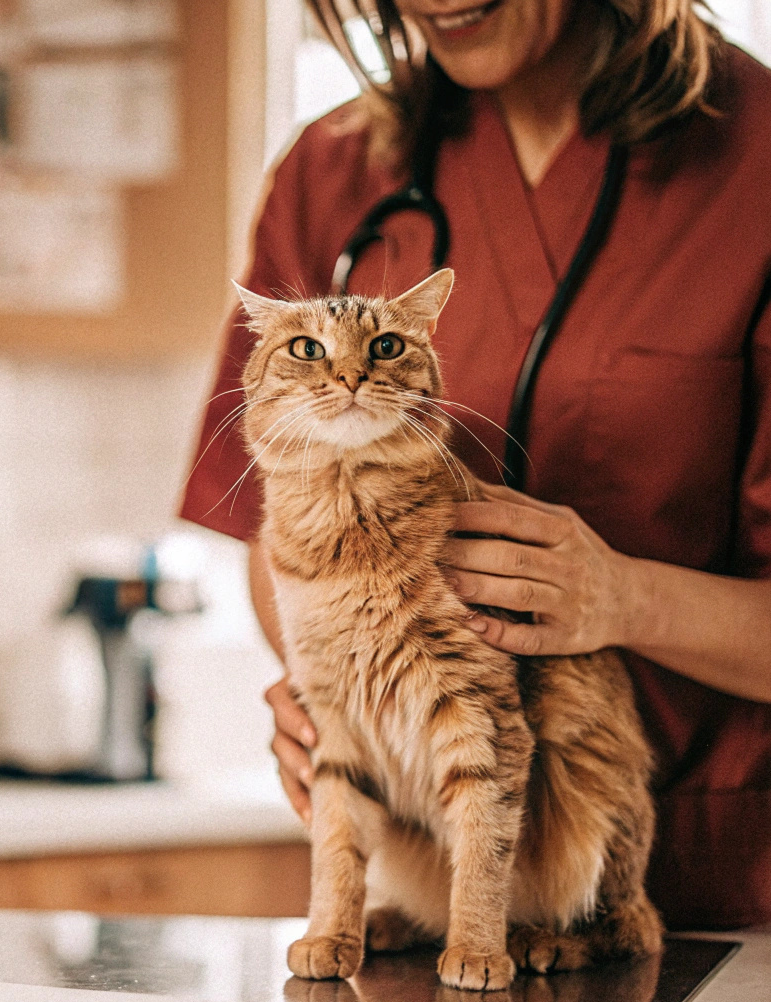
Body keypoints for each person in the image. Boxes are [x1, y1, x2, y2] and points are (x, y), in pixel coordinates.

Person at [181, 0, 771, 930]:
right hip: (429, 875)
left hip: (719, 883)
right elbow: (265, 509)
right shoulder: (330, 169)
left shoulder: (755, 157)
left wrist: (621, 599)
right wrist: (321, 676)